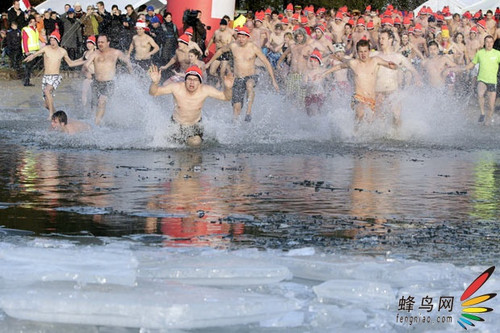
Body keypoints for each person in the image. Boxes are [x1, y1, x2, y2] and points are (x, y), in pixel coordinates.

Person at [148, 65, 234, 146]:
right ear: (185, 80)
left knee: (195, 142)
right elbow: (153, 92)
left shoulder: (205, 90)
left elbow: (226, 97)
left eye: (195, 80)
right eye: (189, 79)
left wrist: (228, 88)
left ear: (200, 82)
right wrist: (154, 83)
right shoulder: (176, 88)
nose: (191, 82)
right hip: (176, 125)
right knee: (164, 143)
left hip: (194, 125)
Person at [207, 26, 279, 122]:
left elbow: (266, 62)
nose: (241, 39)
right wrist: (209, 63)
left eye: (243, 37)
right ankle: (236, 127)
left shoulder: (253, 48)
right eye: (239, 37)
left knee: (249, 85)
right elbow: (220, 50)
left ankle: (248, 113)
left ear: (247, 37)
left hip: (251, 76)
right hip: (238, 79)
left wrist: (273, 80)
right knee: (236, 108)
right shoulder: (233, 46)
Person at [323, 39, 398, 123]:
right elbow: (339, 66)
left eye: (365, 51)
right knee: (361, 112)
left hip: (372, 100)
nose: (363, 54)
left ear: (369, 51)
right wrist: (323, 74)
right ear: (357, 53)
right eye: (361, 52)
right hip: (358, 98)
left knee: (376, 121)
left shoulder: (375, 60)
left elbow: (389, 64)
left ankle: (357, 130)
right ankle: (354, 133)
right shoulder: (354, 63)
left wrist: (394, 66)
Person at [23, 31, 85, 119]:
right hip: (46, 77)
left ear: (58, 40)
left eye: (54, 40)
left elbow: (71, 63)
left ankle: (51, 114)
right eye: (51, 40)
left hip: (55, 76)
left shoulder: (62, 51)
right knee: (46, 105)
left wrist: (84, 61)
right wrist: (31, 56)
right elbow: (35, 54)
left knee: (47, 91)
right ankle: (57, 115)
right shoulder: (46, 48)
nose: (52, 42)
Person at [83, 33, 133, 125]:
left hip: (109, 83)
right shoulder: (95, 53)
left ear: (108, 43)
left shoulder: (115, 52)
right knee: (93, 106)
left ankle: (96, 124)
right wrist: (87, 72)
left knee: (102, 101)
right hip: (96, 82)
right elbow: (85, 65)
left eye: (102, 42)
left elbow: (127, 62)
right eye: (98, 42)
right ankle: (95, 122)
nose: (100, 44)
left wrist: (131, 73)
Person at [459, 35, 500, 124]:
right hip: (482, 79)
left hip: (492, 81)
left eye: (491, 42)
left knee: (491, 106)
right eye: (487, 42)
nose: (489, 44)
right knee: (480, 93)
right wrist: (463, 68)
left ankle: (488, 120)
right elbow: (471, 64)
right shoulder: (480, 53)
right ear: (484, 43)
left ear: (493, 43)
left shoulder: (497, 53)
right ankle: (482, 113)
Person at [205, 18, 233, 86]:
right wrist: (207, 48)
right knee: (211, 71)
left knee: (222, 72)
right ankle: (219, 79)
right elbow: (212, 39)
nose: (222, 26)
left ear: (226, 26)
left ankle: (223, 86)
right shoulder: (216, 32)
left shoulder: (229, 34)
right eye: (221, 25)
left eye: (223, 25)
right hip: (217, 53)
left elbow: (231, 44)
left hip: (225, 54)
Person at [21, 16, 40, 87]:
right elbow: (24, 41)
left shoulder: (35, 29)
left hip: (35, 50)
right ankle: (26, 81)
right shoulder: (26, 29)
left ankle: (28, 80)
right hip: (29, 51)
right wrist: (26, 51)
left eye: (34, 21)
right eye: (31, 21)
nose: (33, 23)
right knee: (28, 67)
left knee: (31, 66)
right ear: (29, 22)